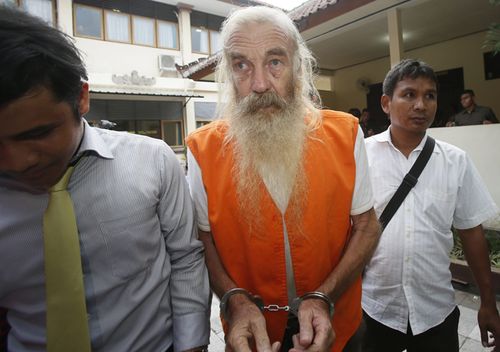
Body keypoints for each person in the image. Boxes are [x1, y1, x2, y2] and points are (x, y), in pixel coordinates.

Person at [0, 6, 210, 351]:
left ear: (82, 98)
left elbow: (186, 257)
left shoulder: (153, 160)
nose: (17, 162)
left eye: (37, 133)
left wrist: (192, 344)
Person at [186, 6, 381, 352]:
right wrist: (234, 300)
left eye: (275, 62)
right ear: (228, 74)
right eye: (241, 65)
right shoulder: (203, 150)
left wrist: (324, 296)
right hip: (252, 333)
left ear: (299, 66)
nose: (260, 84)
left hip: (339, 325)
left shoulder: (346, 134)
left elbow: (366, 225)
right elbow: (204, 241)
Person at [362, 59, 500, 352]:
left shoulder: (456, 161)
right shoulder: (361, 156)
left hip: (436, 313)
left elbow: (472, 233)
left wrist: (488, 303)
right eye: (409, 94)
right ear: (386, 103)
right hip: (375, 310)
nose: (421, 105)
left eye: (430, 95)